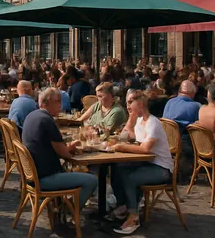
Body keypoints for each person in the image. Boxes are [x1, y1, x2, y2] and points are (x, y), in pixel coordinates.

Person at [21, 88, 97, 220]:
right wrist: (71, 148)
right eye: (58, 102)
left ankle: (66, 207)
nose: (60, 106)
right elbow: (66, 155)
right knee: (91, 180)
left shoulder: (32, 116)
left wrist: (67, 148)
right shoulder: (47, 121)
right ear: (49, 102)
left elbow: (53, 147)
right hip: (45, 179)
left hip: (32, 176)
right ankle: (70, 210)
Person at [111, 90, 174, 235]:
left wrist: (121, 147)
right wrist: (131, 120)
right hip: (147, 163)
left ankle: (133, 217)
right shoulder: (140, 120)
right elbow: (129, 136)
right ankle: (124, 206)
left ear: (140, 104)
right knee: (117, 168)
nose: (127, 106)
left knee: (130, 178)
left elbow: (145, 148)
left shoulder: (153, 122)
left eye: (130, 103)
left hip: (161, 168)